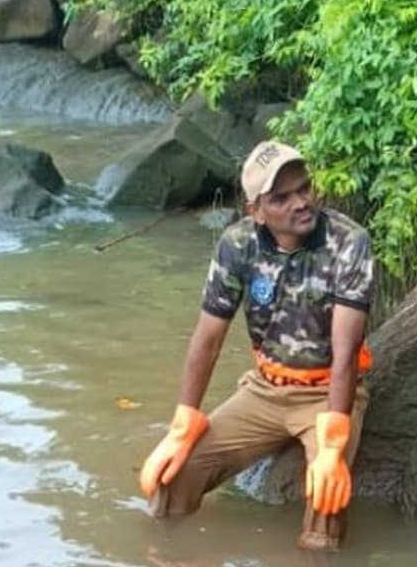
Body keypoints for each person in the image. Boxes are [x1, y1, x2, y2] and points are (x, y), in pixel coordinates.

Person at [139, 140, 375, 551]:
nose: (301, 202)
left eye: (304, 189)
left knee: (326, 503)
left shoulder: (348, 242)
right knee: (172, 479)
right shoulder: (237, 245)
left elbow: (345, 352)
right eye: (281, 198)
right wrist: (183, 423)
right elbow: (207, 338)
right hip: (265, 389)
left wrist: (333, 443)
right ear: (257, 211)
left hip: (327, 392)